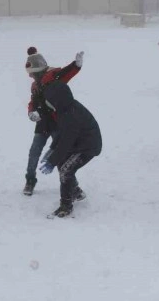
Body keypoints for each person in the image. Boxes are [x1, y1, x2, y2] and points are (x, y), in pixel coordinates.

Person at [23, 46, 83, 196]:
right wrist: (31, 112)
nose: (30, 77)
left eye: (32, 74)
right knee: (34, 152)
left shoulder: (54, 76)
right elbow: (33, 102)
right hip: (42, 124)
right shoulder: (35, 85)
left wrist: (76, 65)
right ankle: (30, 180)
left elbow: (66, 73)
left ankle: (74, 187)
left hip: (58, 123)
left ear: (39, 70)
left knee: (61, 154)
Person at [39, 81, 102, 218]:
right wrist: (52, 150)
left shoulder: (71, 114)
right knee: (63, 164)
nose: (48, 103)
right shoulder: (64, 109)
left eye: (49, 101)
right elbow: (62, 133)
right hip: (78, 143)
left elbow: (67, 141)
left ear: (57, 99)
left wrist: (52, 160)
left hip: (88, 146)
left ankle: (65, 206)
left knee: (66, 170)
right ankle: (75, 192)